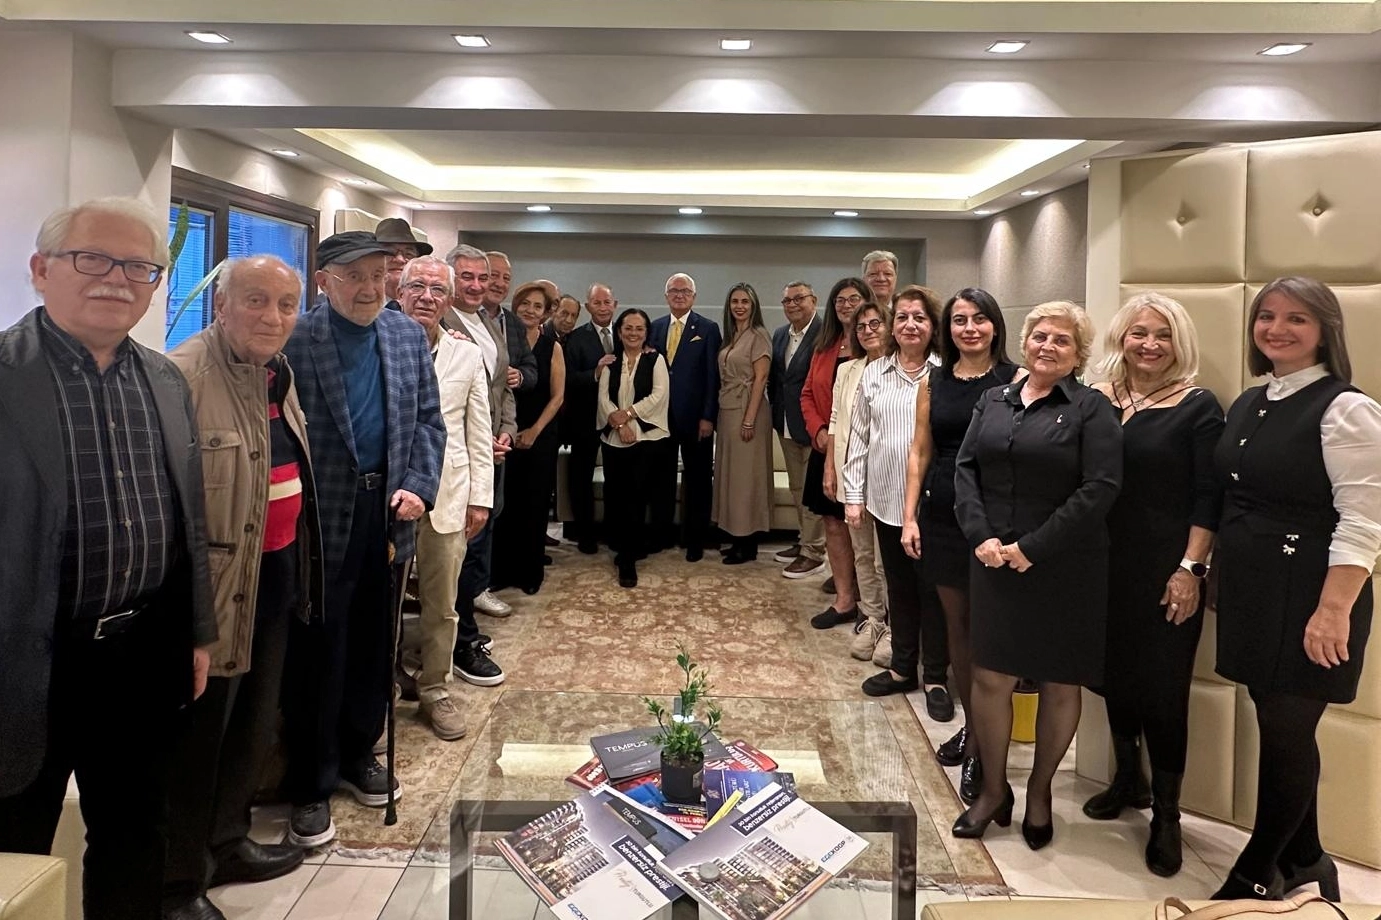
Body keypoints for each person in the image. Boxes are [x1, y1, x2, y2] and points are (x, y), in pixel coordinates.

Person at [0, 197, 215, 920]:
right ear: (41, 270)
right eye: (93, 258)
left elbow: (187, 520)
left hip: (142, 652)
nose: (117, 279)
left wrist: (197, 632)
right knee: (16, 848)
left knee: (135, 835)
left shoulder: (163, 380)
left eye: (139, 267)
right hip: (26, 658)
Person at [1210, 277, 1381, 900]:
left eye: (1297, 319)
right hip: (1256, 588)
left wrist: (1333, 611)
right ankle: (1307, 857)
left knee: (1286, 731)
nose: (1277, 329)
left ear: (1325, 331)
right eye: (1267, 316)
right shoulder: (1253, 400)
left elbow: (1365, 520)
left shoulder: (1347, 408)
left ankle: (1254, 874)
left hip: (1311, 594)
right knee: (1279, 726)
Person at [163, 256, 323, 920]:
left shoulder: (277, 372)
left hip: (274, 573)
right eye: (256, 301)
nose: (273, 317)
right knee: (197, 742)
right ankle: (176, 885)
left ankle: (227, 842)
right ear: (221, 304)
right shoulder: (181, 377)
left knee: (250, 726)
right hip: (215, 590)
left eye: (286, 304)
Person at [280, 230, 444, 848]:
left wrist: (419, 485)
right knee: (320, 647)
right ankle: (311, 780)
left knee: (378, 641)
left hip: (388, 510)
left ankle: (359, 753)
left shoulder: (405, 335)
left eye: (380, 276)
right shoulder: (296, 338)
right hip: (320, 516)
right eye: (357, 277)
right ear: (325, 281)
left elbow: (428, 421)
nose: (372, 289)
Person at [951, 302, 1122, 850]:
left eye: (1062, 340)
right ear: (1025, 342)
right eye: (1041, 336)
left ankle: (1041, 791)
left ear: (1079, 354)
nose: (1048, 346)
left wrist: (1034, 548)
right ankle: (993, 790)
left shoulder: (1092, 408)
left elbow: (1100, 487)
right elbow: (965, 469)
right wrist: (980, 535)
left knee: (1058, 682)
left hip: (1065, 564)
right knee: (990, 678)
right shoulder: (993, 399)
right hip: (993, 559)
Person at [1082, 292, 1224, 878]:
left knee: (1164, 693)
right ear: (1122, 336)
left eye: (1162, 335)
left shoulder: (1198, 406)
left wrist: (1191, 569)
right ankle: (1127, 779)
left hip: (1167, 571)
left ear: (1179, 343)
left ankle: (1168, 816)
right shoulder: (1096, 398)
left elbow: (1209, 498)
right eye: (1139, 332)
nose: (1149, 344)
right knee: (1113, 677)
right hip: (1101, 566)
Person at [902, 288, 1018, 805]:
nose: (969, 329)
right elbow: (920, 450)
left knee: (992, 635)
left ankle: (987, 744)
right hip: (943, 515)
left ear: (995, 325)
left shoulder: (1016, 379)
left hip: (997, 520)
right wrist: (909, 516)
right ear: (947, 330)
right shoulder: (935, 380)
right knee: (959, 632)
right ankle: (975, 736)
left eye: (979, 319)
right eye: (959, 321)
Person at [396, 255, 493, 741]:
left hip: (449, 496)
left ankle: (435, 688)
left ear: (449, 301)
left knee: (442, 604)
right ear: (399, 292)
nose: (426, 297)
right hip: (389, 497)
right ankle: (382, 688)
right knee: (382, 602)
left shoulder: (466, 355)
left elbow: (479, 431)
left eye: (437, 290)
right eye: (417, 286)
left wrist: (481, 498)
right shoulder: (381, 342)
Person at [844, 286, 952, 718]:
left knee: (933, 592)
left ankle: (936, 677)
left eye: (919, 318)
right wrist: (854, 496)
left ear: (932, 325)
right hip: (885, 500)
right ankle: (903, 668)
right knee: (900, 588)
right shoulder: (875, 372)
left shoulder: (945, 372)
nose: (910, 325)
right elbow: (859, 437)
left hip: (933, 505)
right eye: (902, 317)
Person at [443, 244, 513, 684]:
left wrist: (506, 430)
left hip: (491, 447)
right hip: (460, 454)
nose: (475, 285)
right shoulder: (439, 321)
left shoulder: (488, 322)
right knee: (460, 549)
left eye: (481, 278)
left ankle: (462, 628)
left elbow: (502, 386)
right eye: (465, 277)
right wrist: (480, 440)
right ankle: (460, 641)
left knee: (479, 538)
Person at [825, 300, 893, 669]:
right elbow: (836, 420)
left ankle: (893, 626)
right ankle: (872, 619)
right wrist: (830, 468)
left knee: (885, 560)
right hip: (851, 474)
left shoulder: (901, 368)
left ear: (890, 326)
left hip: (885, 478)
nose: (867, 331)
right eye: (861, 326)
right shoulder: (848, 369)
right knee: (863, 554)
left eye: (875, 323)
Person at [801, 277, 870, 629]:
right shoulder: (824, 346)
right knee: (833, 523)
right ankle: (844, 600)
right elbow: (807, 395)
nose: (846, 305)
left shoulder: (876, 346)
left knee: (863, 528)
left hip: (864, 451)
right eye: (840, 300)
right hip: (826, 448)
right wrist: (819, 431)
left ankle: (871, 603)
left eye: (854, 299)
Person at [492, 282, 566, 594]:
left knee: (534, 505)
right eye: (525, 303)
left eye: (538, 306)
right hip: (503, 433)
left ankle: (529, 573)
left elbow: (558, 397)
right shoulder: (501, 338)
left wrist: (534, 431)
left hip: (540, 434)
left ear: (546, 313)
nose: (530, 310)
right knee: (504, 504)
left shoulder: (552, 347)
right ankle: (500, 572)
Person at [649, 273, 722, 561]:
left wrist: (708, 416)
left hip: (695, 419)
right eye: (674, 291)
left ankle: (695, 539)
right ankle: (661, 534)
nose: (679, 295)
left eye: (685, 291)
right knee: (661, 479)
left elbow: (712, 377)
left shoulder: (708, 328)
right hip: (659, 418)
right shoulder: (654, 328)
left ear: (694, 296)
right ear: (666, 296)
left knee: (698, 480)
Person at [598, 308, 670, 588]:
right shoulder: (610, 361)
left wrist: (628, 415)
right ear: (619, 331)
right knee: (616, 495)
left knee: (637, 497)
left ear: (646, 332)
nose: (633, 333)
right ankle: (624, 546)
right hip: (614, 439)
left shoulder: (655, 359)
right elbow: (604, 398)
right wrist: (619, 425)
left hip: (647, 438)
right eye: (628, 328)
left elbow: (659, 395)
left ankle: (628, 560)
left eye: (639, 328)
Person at [713, 283, 773, 564]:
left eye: (745, 302)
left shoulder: (759, 335)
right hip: (727, 409)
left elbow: (761, 379)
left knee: (745, 480)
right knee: (731, 478)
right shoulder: (732, 335)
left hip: (749, 411)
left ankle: (747, 543)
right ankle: (737, 537)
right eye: (735, 301)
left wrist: (749, 420)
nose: (739, 306)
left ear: (754, 305)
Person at [769, 281, 825, 578]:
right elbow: (777, 380)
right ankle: (805, 540)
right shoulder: (780, 334)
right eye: (787, 300)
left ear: (813, 300)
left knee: (811, 491)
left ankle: (814, 552)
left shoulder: (825, 334)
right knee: (796, 488)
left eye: (798, 298)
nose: (792, 304)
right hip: (785, 423)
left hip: (814, 426)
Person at [563, 284, 619, 553]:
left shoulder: (627, 333)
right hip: (584, 419)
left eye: (607, 302)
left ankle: (613, 531)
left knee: (617, 478)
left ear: (615, 304)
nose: (603, 307)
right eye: (597, 303)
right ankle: (584, 534)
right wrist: (595, 373)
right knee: (581, 478)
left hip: (617, 419)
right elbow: (567, 379)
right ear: (588, 307)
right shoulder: (575, 339)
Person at [374, 217, 432, 309]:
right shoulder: (360, 304)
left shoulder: (428, 304)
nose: (400, 259)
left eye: (408, 254)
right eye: (390, 252)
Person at [862, 250, 899, 314]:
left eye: (887, 274)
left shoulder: (905, 311)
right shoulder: (855, 312)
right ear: (864, 279)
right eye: (873, 274)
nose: (881, 279)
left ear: (895, 278)